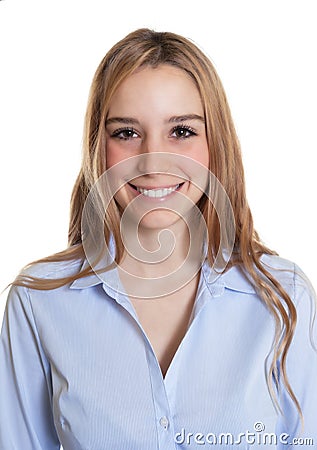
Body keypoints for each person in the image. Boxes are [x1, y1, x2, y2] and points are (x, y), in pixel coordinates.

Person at [0, 28, 316, 450]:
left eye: (181, 131)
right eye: (126, 133)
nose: (153, 160)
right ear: (99, 146)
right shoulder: (39, 301)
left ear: (214, 144)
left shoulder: (284, 295)